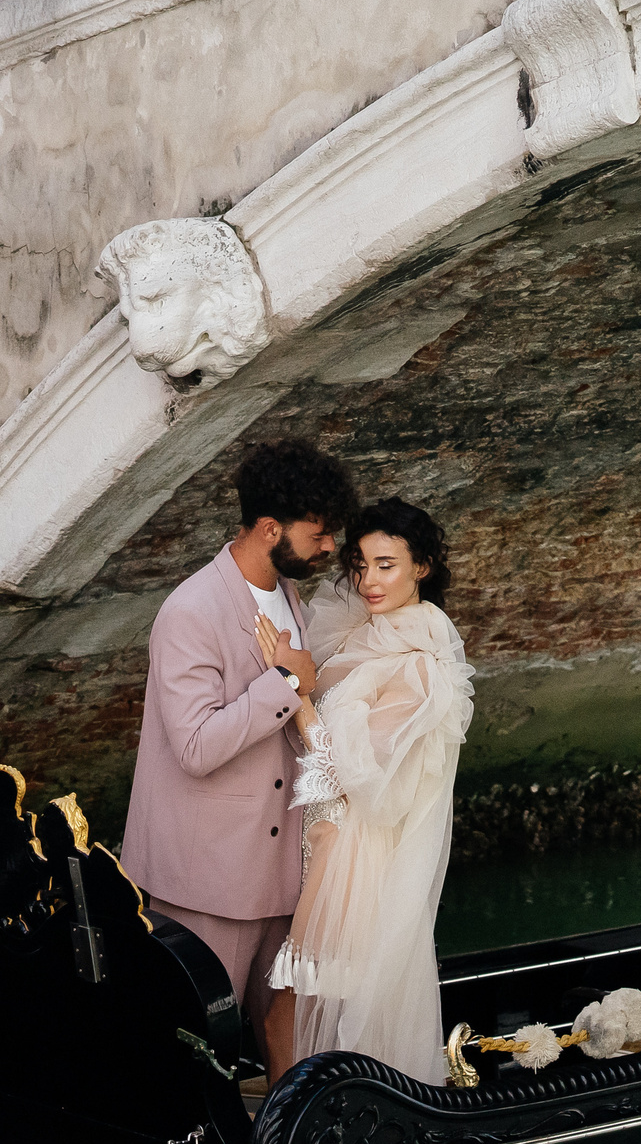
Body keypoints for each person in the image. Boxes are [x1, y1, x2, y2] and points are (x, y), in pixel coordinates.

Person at [122, 440, 361, 1056]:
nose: (331, 546)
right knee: (198, 1051)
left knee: (287, 1044)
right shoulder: (189, 612)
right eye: (320, 532)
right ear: (269, 528)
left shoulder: (290, 594)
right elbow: (197, 746)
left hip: (281, 877)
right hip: (206, 879)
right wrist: (284, 683)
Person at [259, 497, 475, 1085]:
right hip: (318, 834)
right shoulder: (360, 633)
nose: (369, 580)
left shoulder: (421, 663)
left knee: (291, 1005)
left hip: (355, 852)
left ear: (421, 567)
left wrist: (294, 691)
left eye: (387, 564)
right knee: (290, 1008)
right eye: (360, 564)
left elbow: (359, 780)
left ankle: (296, 1136)